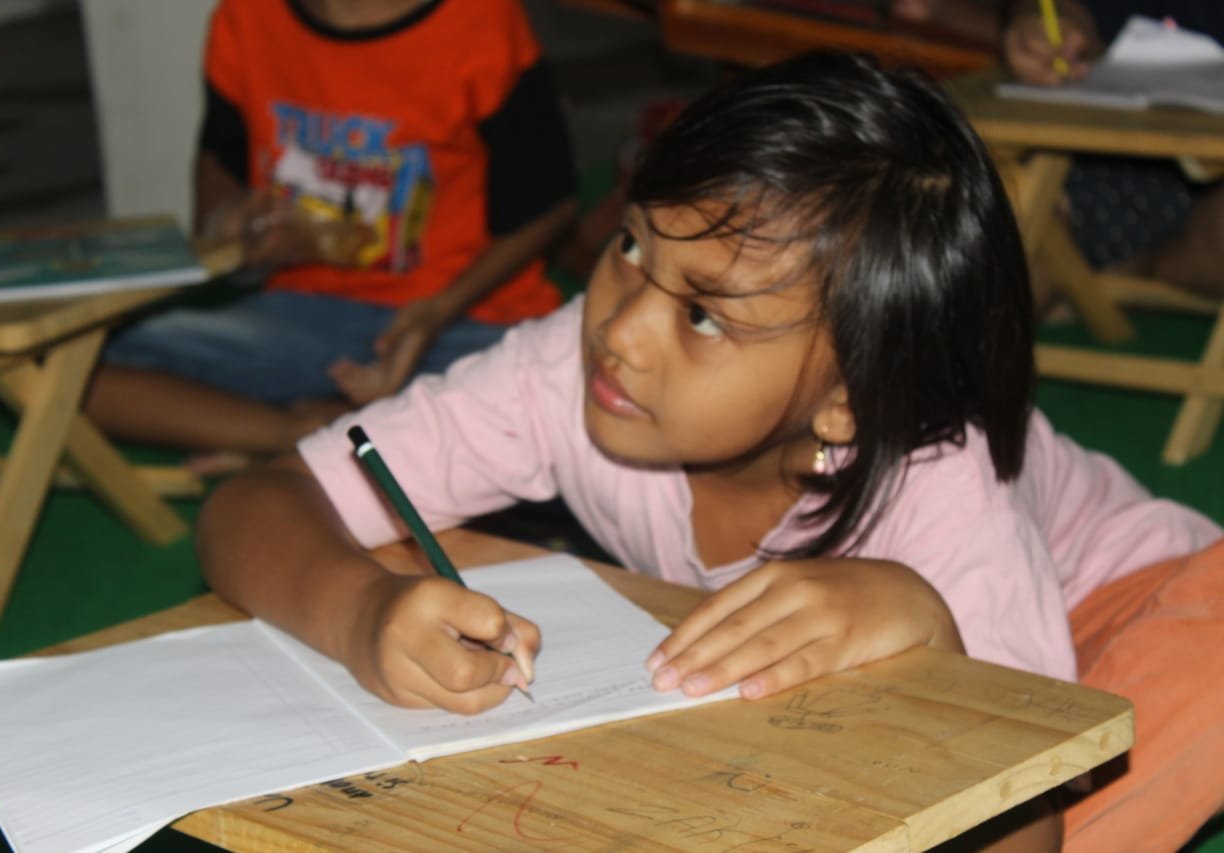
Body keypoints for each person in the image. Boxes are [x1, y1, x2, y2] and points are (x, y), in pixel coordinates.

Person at [197, 52, 1224, 851]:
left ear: (847, 404)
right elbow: (259, 502)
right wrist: (362, 614)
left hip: (1128, 603)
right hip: (885, 658)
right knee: (402, 557)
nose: (621, 327)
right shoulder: (570, 366)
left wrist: (930, 625)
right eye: (631, 246)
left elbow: (1021, 821)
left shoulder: (940, 486)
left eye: (702, 314)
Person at [83, 0, 578, 465]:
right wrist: (231, 230)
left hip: (465, 316)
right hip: (298, 316)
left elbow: (550, 205)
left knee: (553, 404)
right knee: (73, 368)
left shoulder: (479, 20)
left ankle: (294, 431)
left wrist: (436, 312)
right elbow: (221, 160)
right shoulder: (247, 16)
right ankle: (305, 433)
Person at [1001, 0, 1224, 297]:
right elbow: (1074, 13)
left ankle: (1126, 279)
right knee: (1006, 219)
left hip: (1199, 197)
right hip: (1103, 152)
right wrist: (1044, 29)